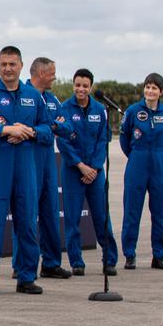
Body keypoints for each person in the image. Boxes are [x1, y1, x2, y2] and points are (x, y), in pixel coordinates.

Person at [0, 45, 52, 295]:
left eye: (12, 64)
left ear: (21, 66)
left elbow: (48, 129)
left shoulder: (34, 96)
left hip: (26, 170)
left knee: (27, 223)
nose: (8, 69)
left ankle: (26, 277)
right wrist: (6, 131)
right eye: (3, 64)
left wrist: (30, 132)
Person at [56, 68, 119, 275]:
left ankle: (109, 260)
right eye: (77, 85)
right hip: (73, 172)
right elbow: (63, 141)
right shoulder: (64, 108)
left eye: (85, 86)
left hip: (96, 172)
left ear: (91, 87)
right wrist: (80, 165)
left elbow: (103, 139)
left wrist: (94, 167)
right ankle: (77, 262)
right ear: (73, 85)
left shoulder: (100, 110)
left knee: (102, 217)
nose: (80, 89)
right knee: (72, 220)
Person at [15, 57, 73, 279]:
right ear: (40, 73)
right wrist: (48, 126)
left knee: (50, 211)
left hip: (49, 158)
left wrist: (52, 125)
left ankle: (50, 263)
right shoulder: (22, 95)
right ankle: (21, 264)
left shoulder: (52, 99)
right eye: (52, 74)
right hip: (29, 157)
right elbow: (24, 127)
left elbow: (67, 126)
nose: (55, 77)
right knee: (27, 214)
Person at [119, 73, 163, 270]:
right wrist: (137, 155)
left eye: (154, 88)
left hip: (159, 162)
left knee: (161, 211)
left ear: (161, 92)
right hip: (137, 160)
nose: (150, 91)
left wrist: (159, 154)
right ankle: (129, 254)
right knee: (132, 211)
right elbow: (124, 138)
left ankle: (159, 255)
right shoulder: (133, 111)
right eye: (147, 87)